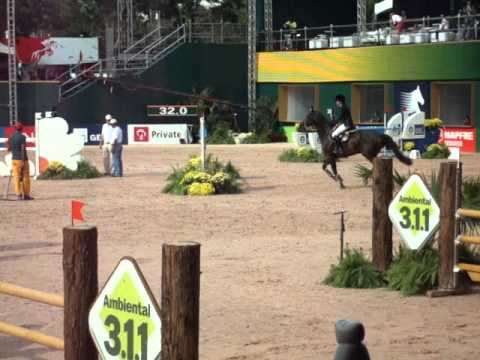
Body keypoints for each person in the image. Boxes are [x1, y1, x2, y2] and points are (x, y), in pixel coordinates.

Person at [7, 122, 33, 200]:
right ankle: (26, 195)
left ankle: (18, 195)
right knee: (25, 177)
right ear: (21, 129)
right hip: (23, 160)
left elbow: (9, 149)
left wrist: (9, 143)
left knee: (16, 178)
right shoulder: (22, 137)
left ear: (15, 128)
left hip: (14, 160)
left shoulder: (11, 137)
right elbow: (23, 149)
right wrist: (22, 161)